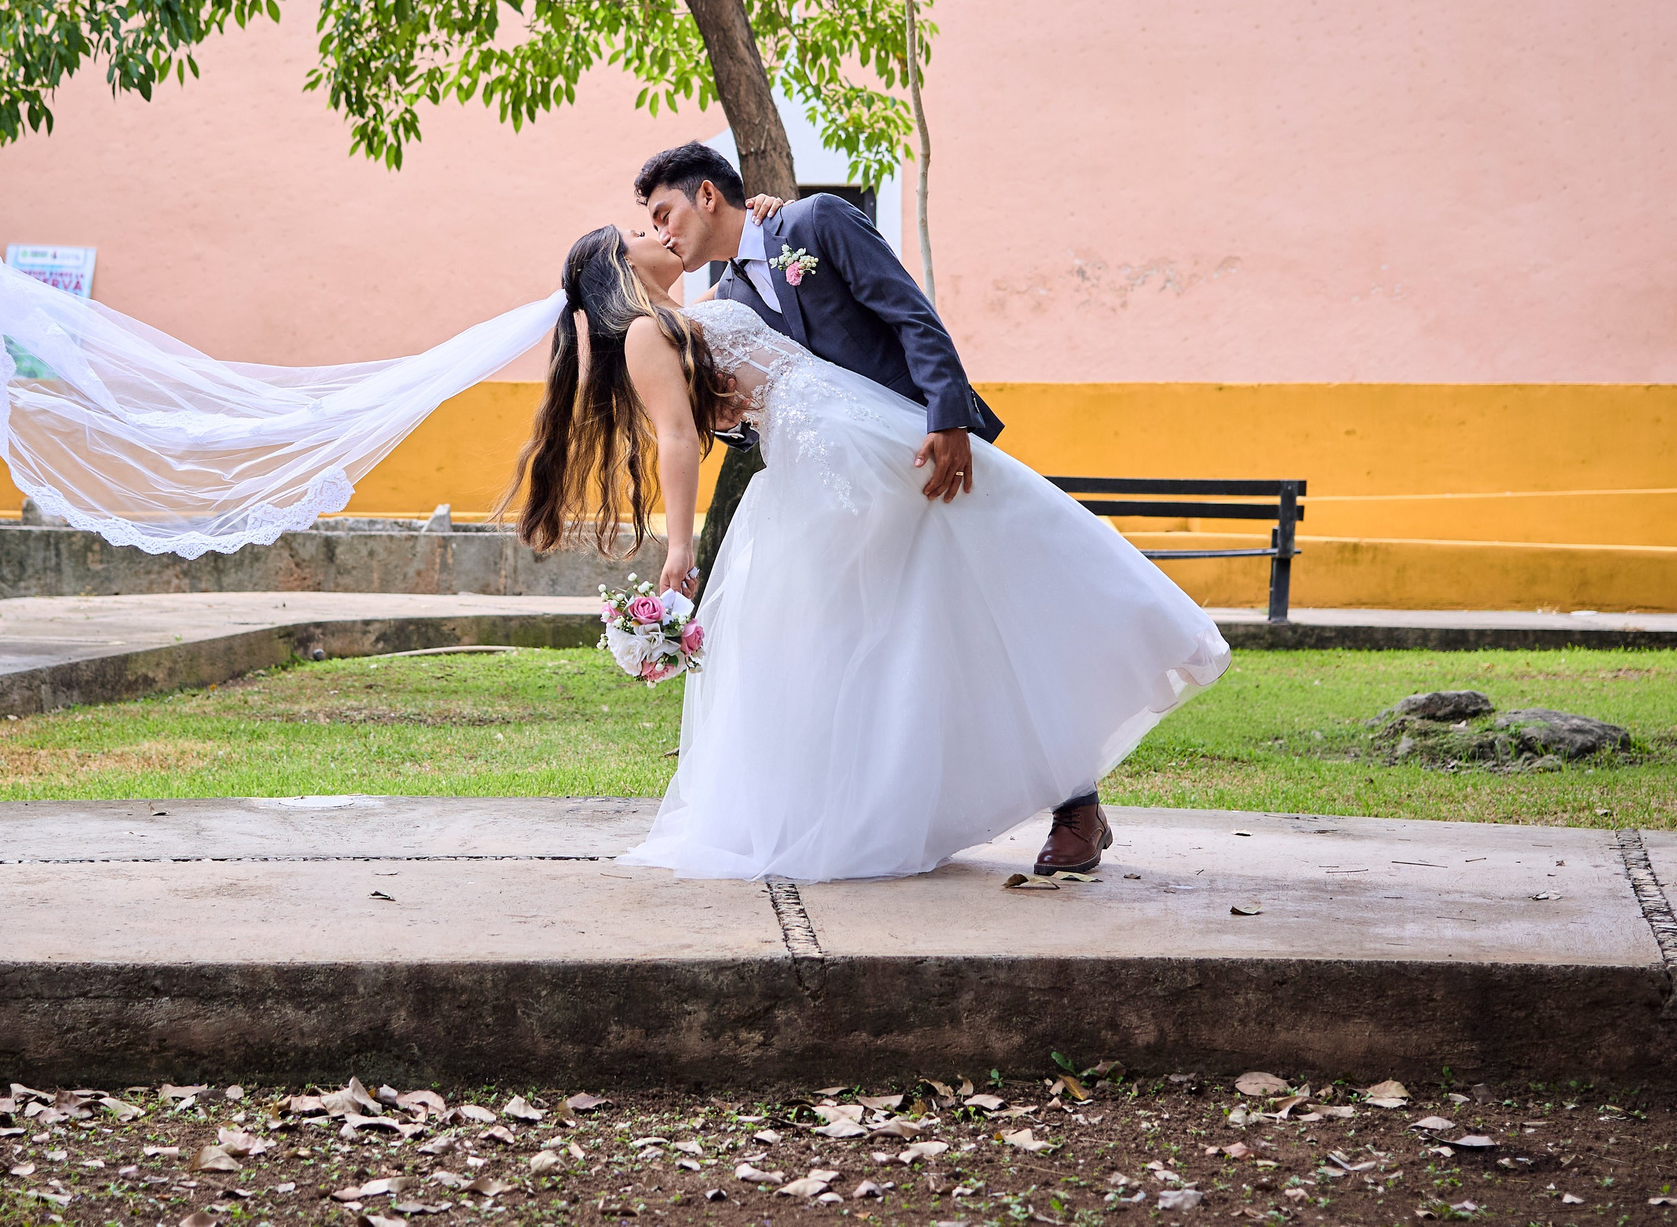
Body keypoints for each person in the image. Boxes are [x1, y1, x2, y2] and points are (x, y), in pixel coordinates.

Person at [511, 203, 1228, 885]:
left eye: (659, 214)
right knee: (892, 619)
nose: (656, 231)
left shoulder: (703, 302)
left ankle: (1083, 753)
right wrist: (680, 549)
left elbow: (754, 373)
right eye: (640, 229)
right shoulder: (646, 332)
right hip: (828, 458)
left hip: (862, 429)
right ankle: (885, 801)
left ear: (706, 196)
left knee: (989, 548)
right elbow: (676, 435)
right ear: (616, 263)